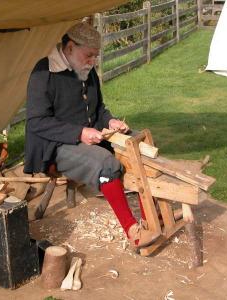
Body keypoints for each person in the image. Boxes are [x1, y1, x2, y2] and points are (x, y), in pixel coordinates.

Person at [24, 22, 159, 249]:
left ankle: (150, 218)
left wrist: (110, 121)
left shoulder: (87, 70)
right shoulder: (43, 72)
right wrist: (79, 132)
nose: (93, 61)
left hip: (90, 136)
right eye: (89, 55)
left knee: (138, 144)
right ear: (69, 48)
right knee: (106, 163)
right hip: (55, 146)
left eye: (95, 56)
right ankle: (132, 231)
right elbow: (37, 122)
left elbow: (99, 110)